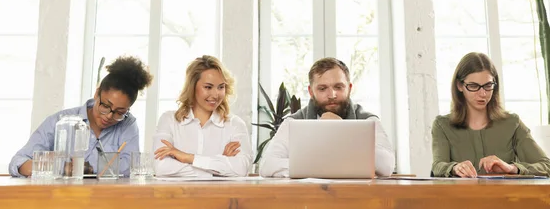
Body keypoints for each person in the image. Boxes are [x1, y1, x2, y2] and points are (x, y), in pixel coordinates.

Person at [9, 55, 153, 177]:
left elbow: (128, 168)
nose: (109, 116)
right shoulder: (61, 120)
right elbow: (18, 162)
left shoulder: (128, 124)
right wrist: (58, 167)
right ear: (97, 93)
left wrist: (85, 168)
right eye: (105, 106)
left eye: (119, 112)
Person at [259, 57, 395, 177]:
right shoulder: (293, 122)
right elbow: (267, 165)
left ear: (349, 88)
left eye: (338, 87)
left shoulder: (369, 120)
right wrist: (324, 167)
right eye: (322, 89)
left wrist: (344, 130)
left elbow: (387, 165)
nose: (332, 95)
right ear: (311, 92)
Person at [432, 52, 550, 177]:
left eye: (488, 85)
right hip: (461, 196)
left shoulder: (512, 123)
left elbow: (548, 167)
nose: (483, 93)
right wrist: (454, 168)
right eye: (473, 86)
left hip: (506, 196)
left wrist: (511, 168)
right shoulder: (442, 125)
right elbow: (437, 166)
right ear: (459, 85)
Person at [153, 55, 252, 177]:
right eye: (208, 87)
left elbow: (241, 169)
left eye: (221, 87)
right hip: (178, 196)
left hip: (219, 196)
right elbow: (161, 167)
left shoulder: (235, 125)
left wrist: (187, 157)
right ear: (192, 87)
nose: (216, 94)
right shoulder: (169, 120)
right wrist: (218, 168)